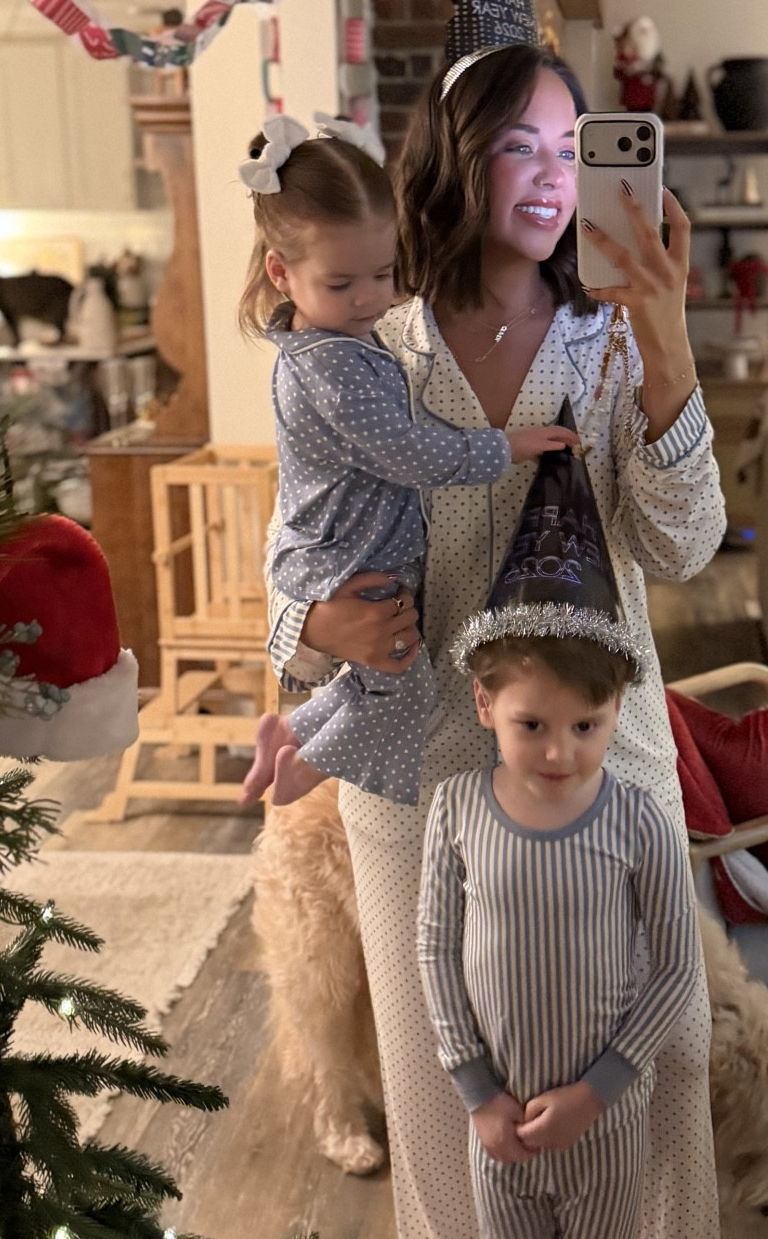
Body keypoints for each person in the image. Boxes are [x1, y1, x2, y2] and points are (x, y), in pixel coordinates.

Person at [266, 0, 737, 1239]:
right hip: (420, 739)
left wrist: (665, 342)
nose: (548, 177)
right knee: (437, 1044)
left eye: (569, 148)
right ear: (455, 156)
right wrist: (307, 632)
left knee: (651, 1040)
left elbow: (677, 543)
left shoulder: (607, 339)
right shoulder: (363, 337)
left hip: (601, 737)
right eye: (519, 146)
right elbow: (295, 547)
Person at [418, 414, 706, 1239]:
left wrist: (598, 1088)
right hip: (498, 1121)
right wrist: (479, 1088)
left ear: (617, 711)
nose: (558, 748)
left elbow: (675, 964)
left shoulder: (634, 817)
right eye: (533, 720)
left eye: (586, 723)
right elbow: (436, 954)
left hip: (602, 1118)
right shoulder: (456, 811)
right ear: (485, 699)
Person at [234, 112, 576, 808]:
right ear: (281, 272)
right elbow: (412, 452)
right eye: (341, 284)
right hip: (347, 559)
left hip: (350, 552)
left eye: (383, 274)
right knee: (404, 689)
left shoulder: (324, 342)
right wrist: (504, 445)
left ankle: (288, 733)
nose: (368, 300)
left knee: (376, 682)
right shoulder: (333, 367)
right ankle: (302, 768)